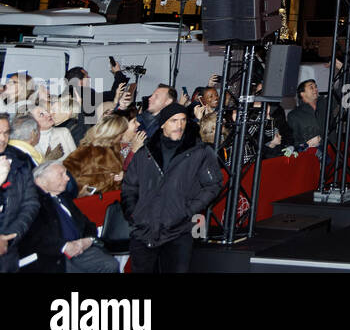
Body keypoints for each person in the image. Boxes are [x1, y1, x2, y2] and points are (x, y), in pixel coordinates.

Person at [121, 103, 222, 273]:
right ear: (162, 124)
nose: (179, 125)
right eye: (174, 121)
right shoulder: (145, 152)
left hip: (179, 231)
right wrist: (134, 213)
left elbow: (213, 185)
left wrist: (188, 210)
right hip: (144, 230)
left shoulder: (199, 151)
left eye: (182, 120)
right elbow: (130, 187)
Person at [23, 161, 120, 273]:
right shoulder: (32, 204)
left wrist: (89, 239)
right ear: (40, 181)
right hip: (54, 254)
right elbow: (34, 237)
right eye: (61, 174)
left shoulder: (64, 198)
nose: (68, 178)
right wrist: (64, 246)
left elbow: (86, 223)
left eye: (66, 174)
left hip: (80, 248)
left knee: (110, 264)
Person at [0, 114, 40, 273]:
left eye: (6, 133)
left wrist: (10, 237)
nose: (2, 138)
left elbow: (31, 203)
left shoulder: (19, 161)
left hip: (9, 250)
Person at [63, 116, 128, 196]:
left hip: (112, 200)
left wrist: (121, 176)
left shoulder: (115, 149)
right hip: (92, 202)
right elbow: (67, 179)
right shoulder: (86, 151)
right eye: (121, 134)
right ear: (114, 134)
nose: (122, 137)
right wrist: (108, 179)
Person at [287, 80, 328, 148]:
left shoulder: (326, 104)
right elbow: (294, 141)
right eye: (311, 87)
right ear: (302, 93)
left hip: (332, 152)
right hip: (310, 155)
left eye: (316, 87)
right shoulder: (294, 115)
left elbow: (342, 92)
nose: (315, 89)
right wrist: (306, 145)